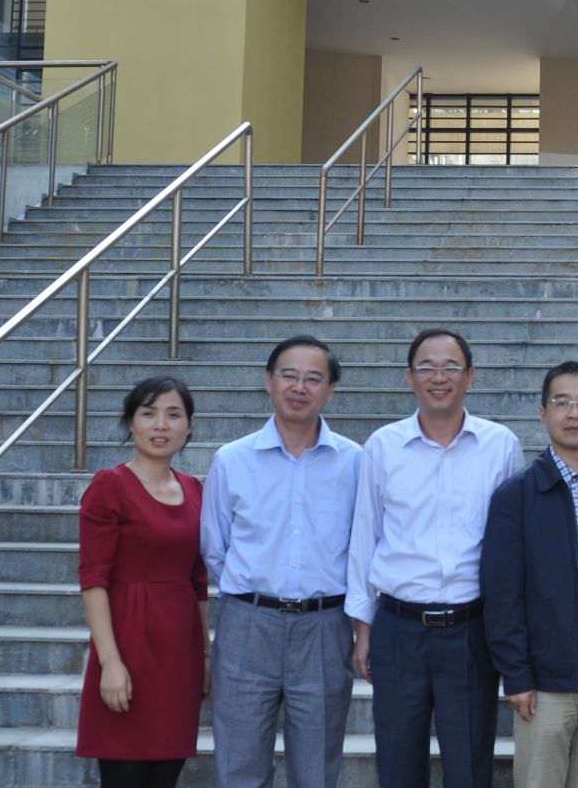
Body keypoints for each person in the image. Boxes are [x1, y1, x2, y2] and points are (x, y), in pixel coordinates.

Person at [346, 328, 523, 788]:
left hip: (470, 630)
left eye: (450, 368)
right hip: (399, 628)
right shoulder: (383, 446)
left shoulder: (500, 445)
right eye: (426, 367)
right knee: (398, 763)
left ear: (470, 376)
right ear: (409, 377)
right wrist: (363, 629)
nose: (438, 377)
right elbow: (365, 538)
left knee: (469, 766)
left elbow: (511, 548)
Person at [200, 335, 362, 788]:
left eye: (313, 378)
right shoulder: (232, 460)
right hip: (248, 625)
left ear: (331, 390)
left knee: (316, 770)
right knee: (239, 767)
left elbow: (362, 547)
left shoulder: (355, 462)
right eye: (289, 375)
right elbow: (215, 548)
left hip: (324, 626)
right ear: (269, 380)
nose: (299, 387)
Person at [482, 361, 578, 788]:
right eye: (562, 402)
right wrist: (516, 674)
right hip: (547, 667)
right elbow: (501, 594)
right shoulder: (517, 495)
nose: (574, 413)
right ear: (543, 413)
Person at [76, 375, 209, 788]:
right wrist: (110, 663)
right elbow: (93, 579)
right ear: (130, 422)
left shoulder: (194, 490)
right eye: (148, 414)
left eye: (173, 415)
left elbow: (198, 581)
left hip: (179, 652)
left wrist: (204, 656)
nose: (161, 425)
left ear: (189, 425)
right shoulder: (109, 486)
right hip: (128, 645)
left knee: (166, 776)